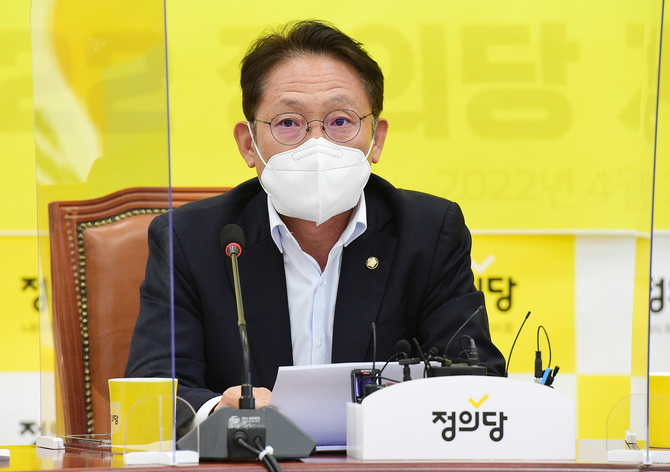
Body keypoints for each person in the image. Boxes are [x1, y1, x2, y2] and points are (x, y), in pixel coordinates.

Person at [125, 20, 506, 422]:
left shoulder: (429, 233)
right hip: (250, 453)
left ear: (376, 139)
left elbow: (475, 378)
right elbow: (152, 391)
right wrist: (218, 411)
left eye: (340, 121)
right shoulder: (189, 240)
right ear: (248, 144)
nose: (317, 144)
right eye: (288, 123)